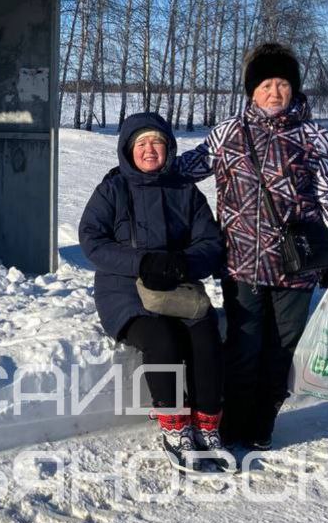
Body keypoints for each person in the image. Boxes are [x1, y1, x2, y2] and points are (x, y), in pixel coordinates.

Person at [175, 41, 328, 450]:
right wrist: (140, 165)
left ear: (294, 88)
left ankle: (261, 425)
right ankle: (233, 423)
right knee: (243, 346)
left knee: (281, 349)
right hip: (241, 263)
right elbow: (186, 169)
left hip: (298, 265)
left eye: (282, 84)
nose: (275, 92)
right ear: (251, 90)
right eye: (266, 84)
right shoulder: (229, 133)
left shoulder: (315, 137)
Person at [78, 112, 227, 472]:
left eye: (157, 142)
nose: (149, 150)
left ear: (169, 148)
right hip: (124, 291)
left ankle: (207, 427)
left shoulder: (185, 191)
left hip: (177, 288)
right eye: (141, 143)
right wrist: (142, 263)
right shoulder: (111, 190)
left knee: (206, 334)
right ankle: (175, 428)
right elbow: (92, 240)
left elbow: (210, 242)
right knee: (162, 340)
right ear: (128, 150)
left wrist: (183, 263)